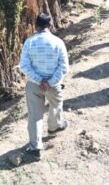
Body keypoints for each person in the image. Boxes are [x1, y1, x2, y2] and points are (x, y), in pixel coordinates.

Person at [19, 13, 69, 159]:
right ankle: (54, 127)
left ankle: (35, 147)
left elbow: (24, 66)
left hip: (34, 85)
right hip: (54, 85)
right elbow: (64, 67)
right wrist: (50, 82)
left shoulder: (29, 42)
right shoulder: (58, 42)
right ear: (51, 25)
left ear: (36, 26)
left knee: (34, 115)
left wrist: (39, 79)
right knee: (56, 105)